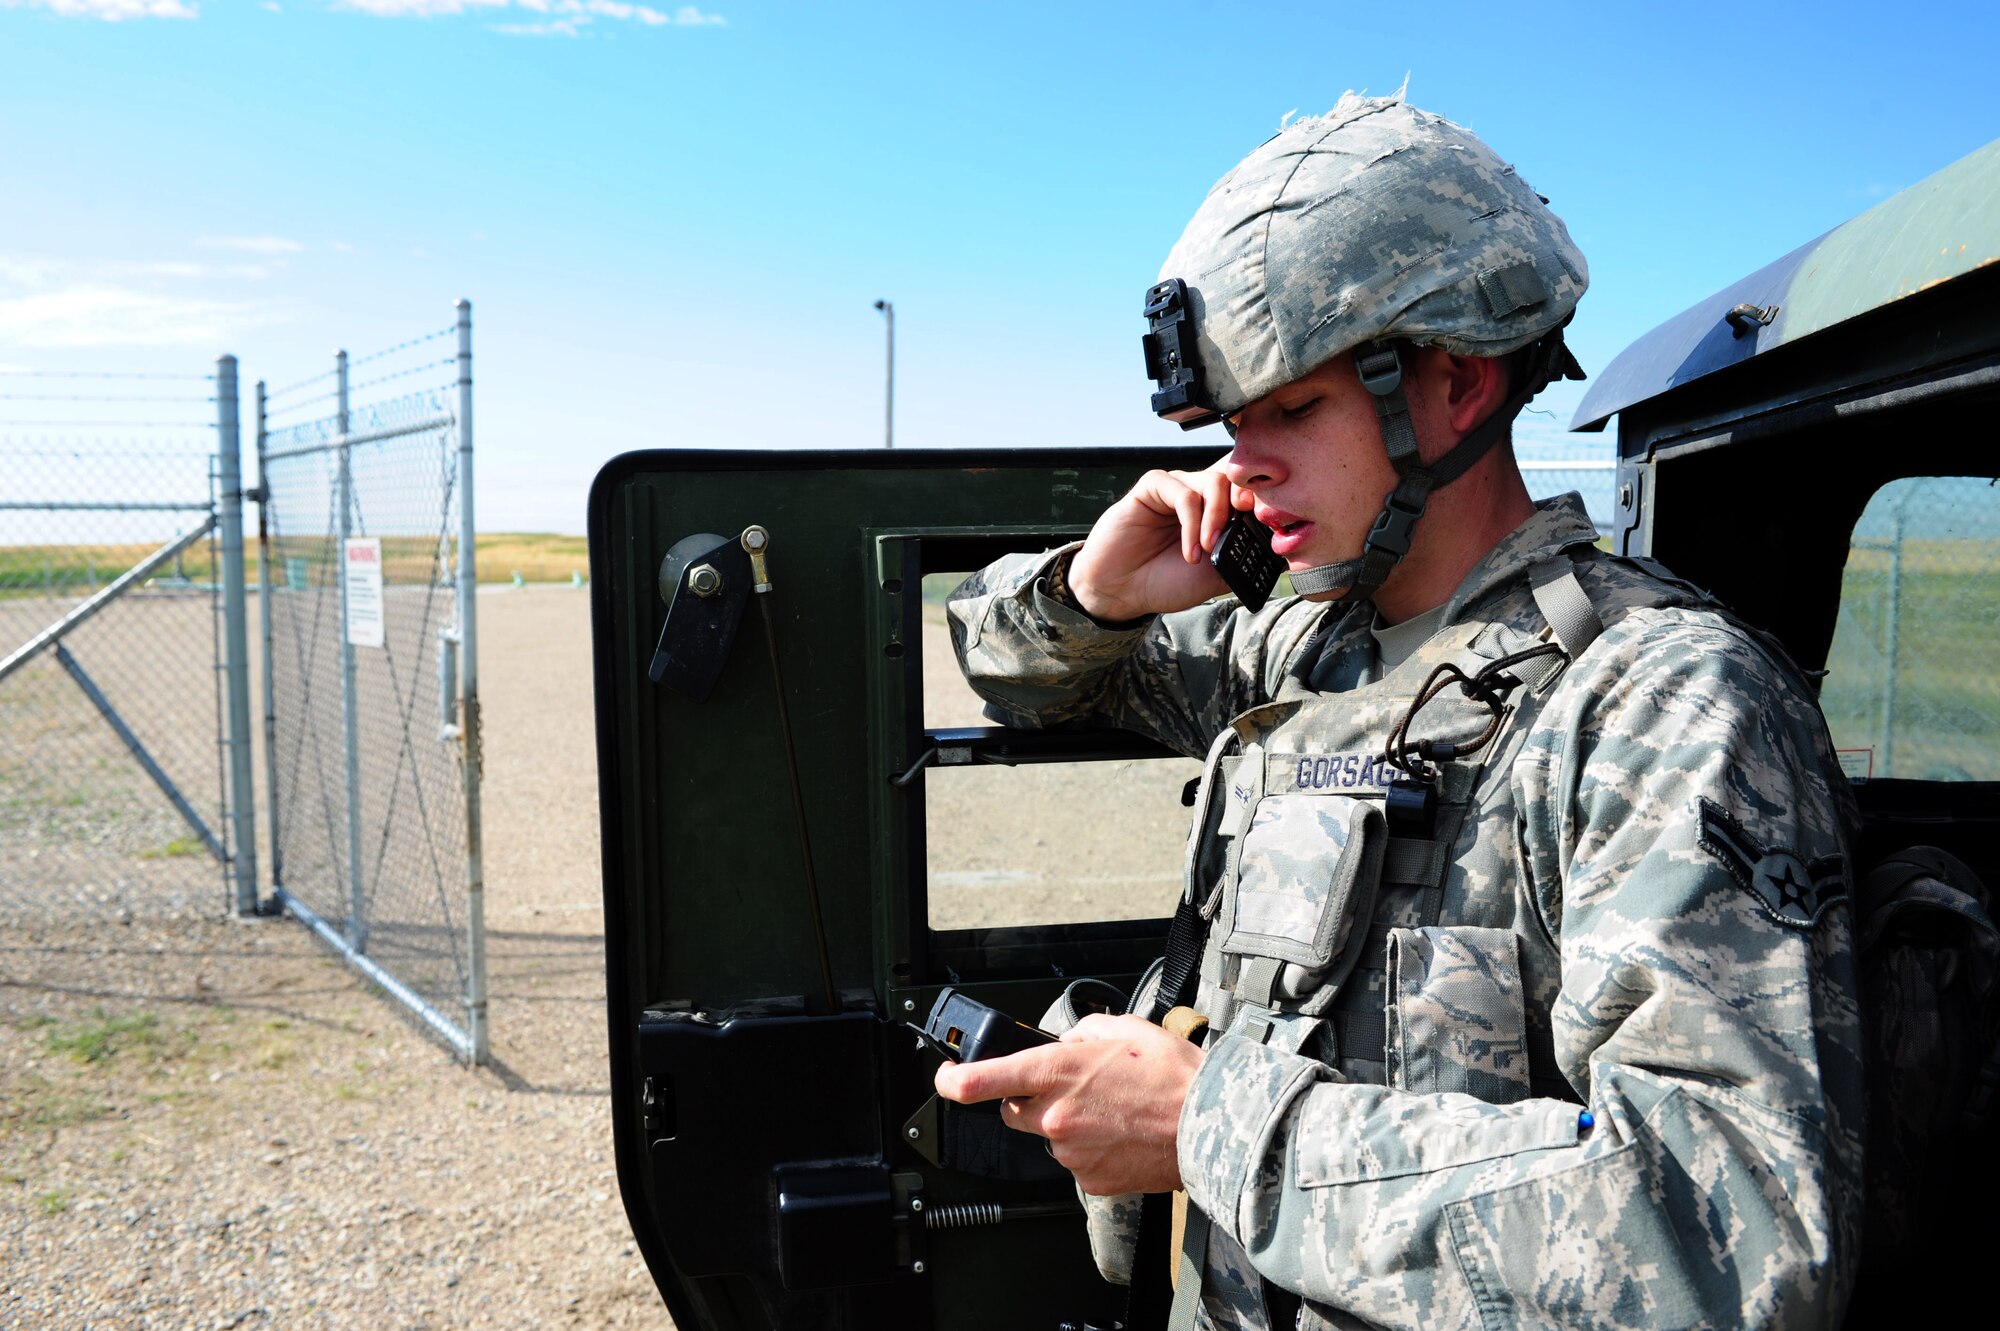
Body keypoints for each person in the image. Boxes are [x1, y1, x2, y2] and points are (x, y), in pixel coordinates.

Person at [933, 90, 1862, 1330]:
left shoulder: (1656, 702)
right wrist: (1098, 593)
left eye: (1291, 410)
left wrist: (1204, 1122)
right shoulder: (1304, 641)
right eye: (1228, 424)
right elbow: (1013, 669)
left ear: (1458, 385)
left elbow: (1732, 1235)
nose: (1240, 466)